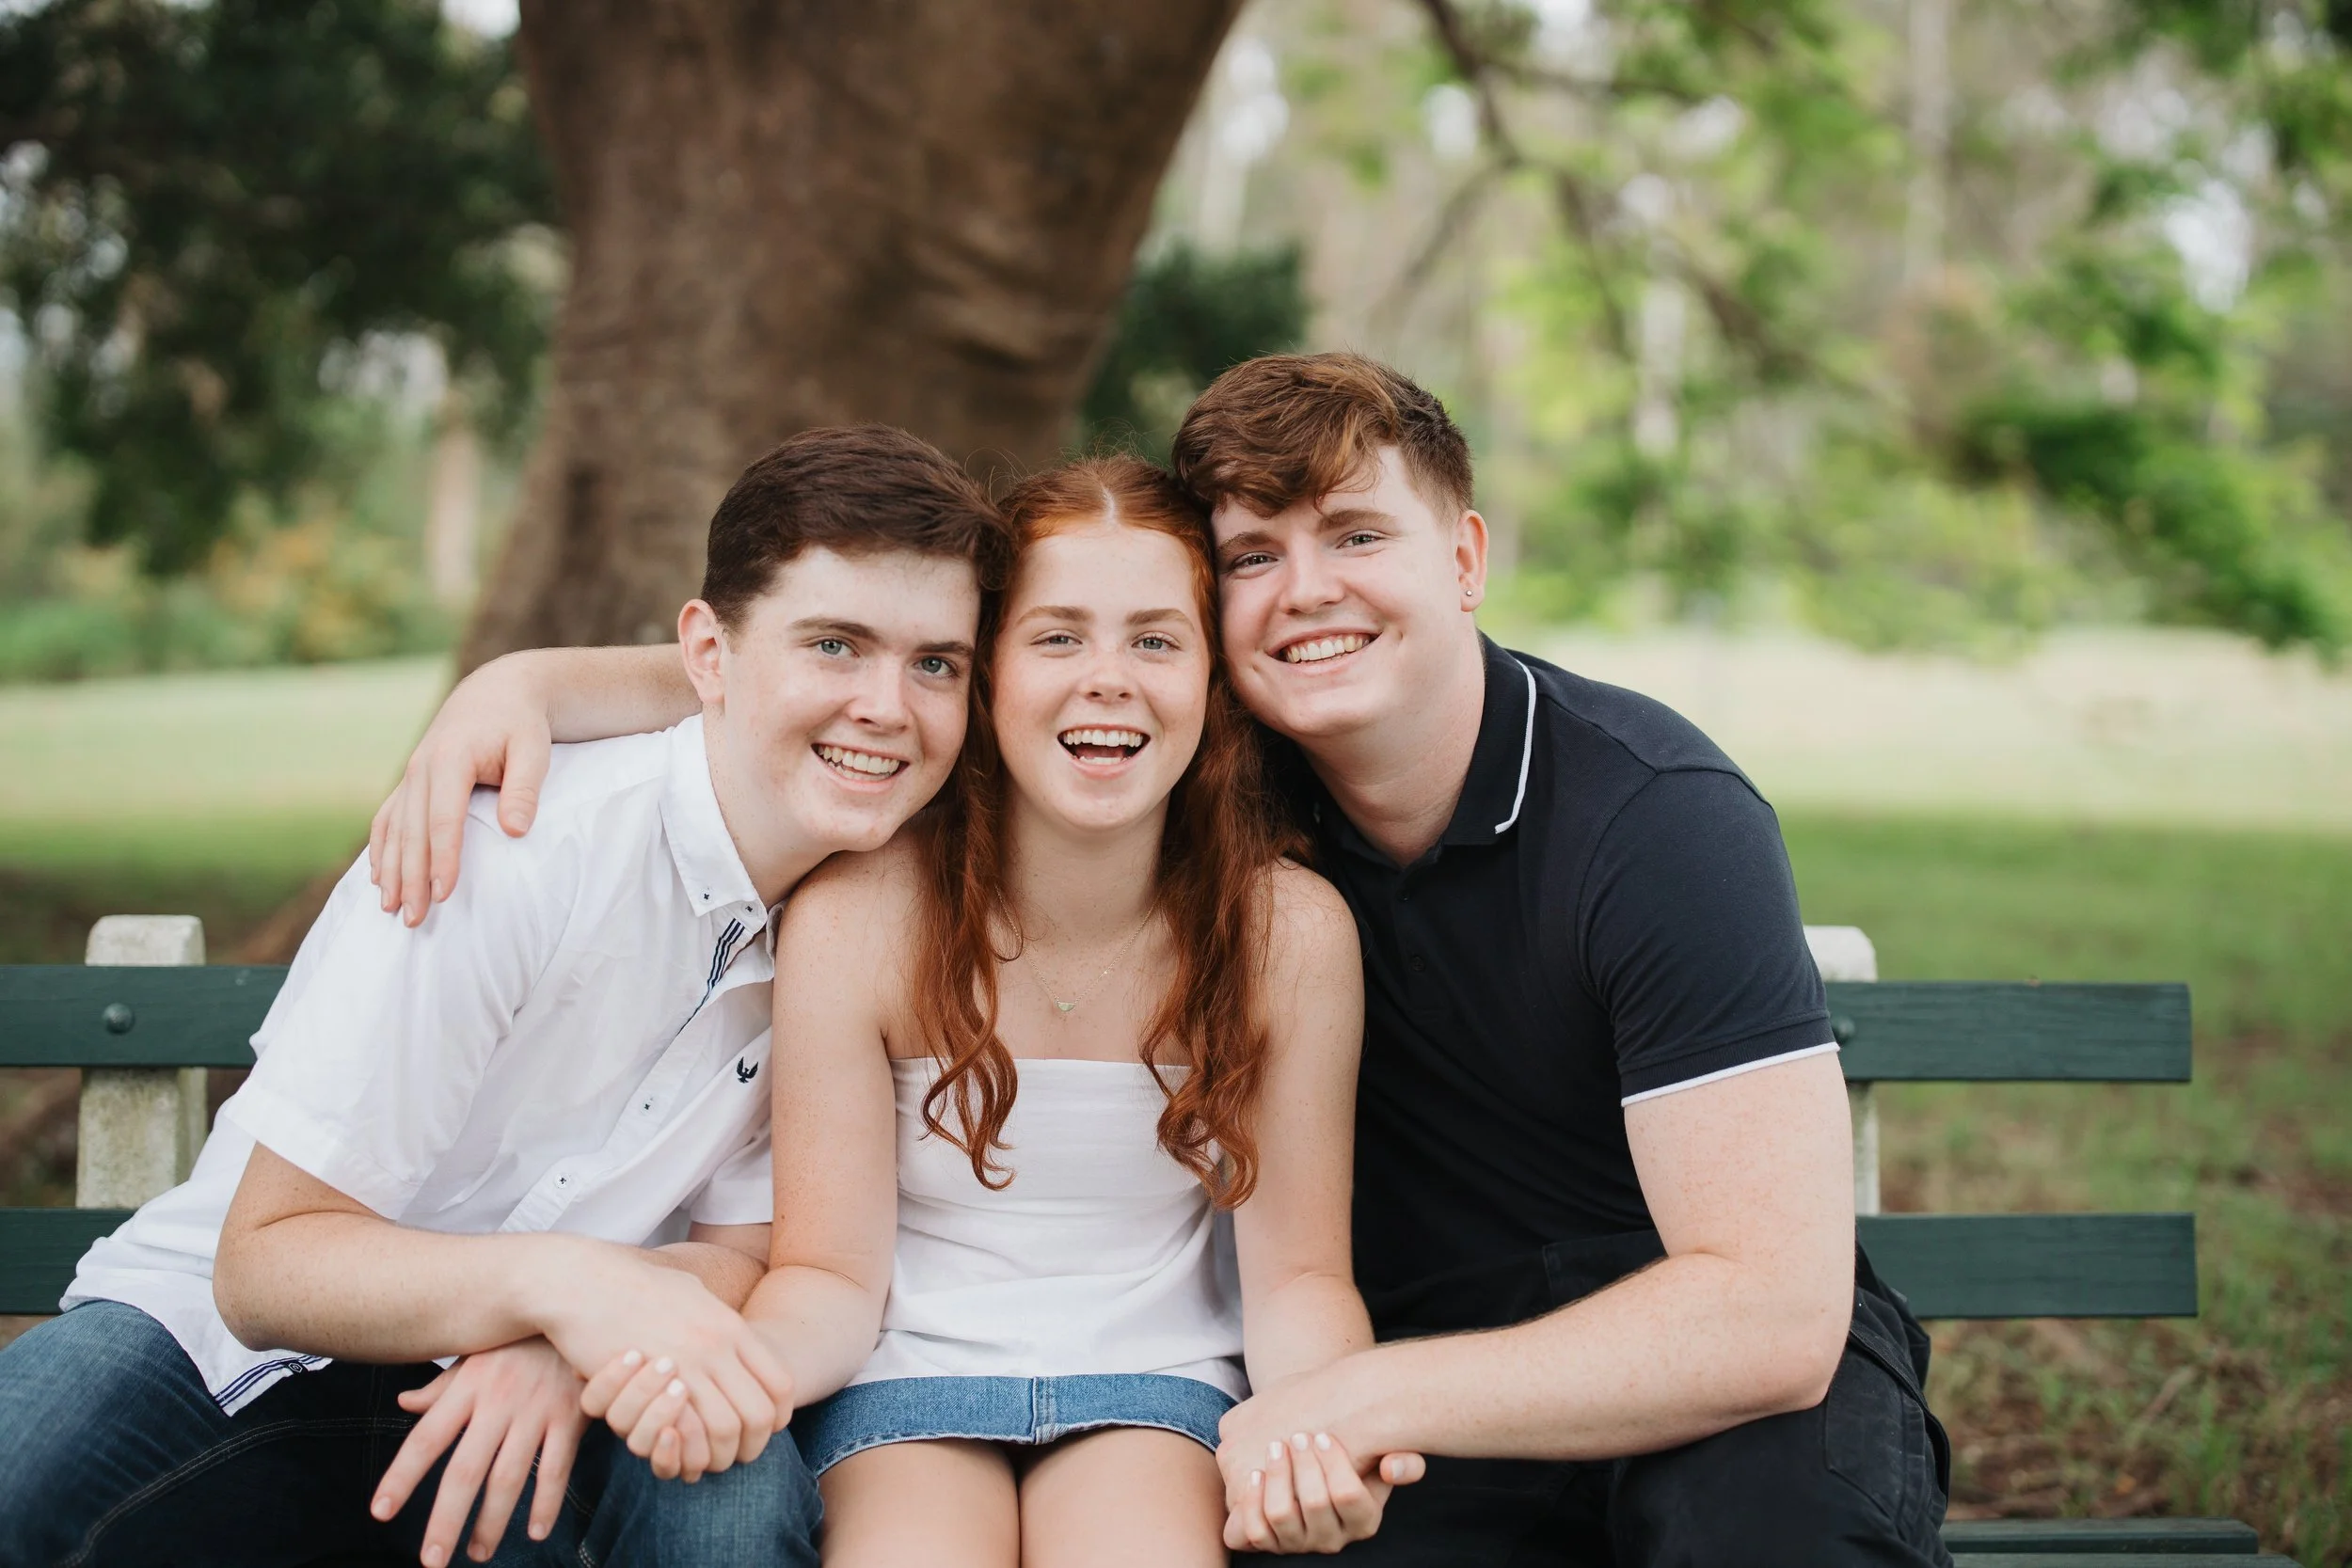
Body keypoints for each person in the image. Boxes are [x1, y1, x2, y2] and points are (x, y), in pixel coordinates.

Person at [369, 356, 1953, 1565]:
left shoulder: (1627, 824)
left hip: (1626, 1369)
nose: (1304, 594)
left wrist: (1339, 1405)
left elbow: (1755, 1310)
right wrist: (533, 679)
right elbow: (871, 660)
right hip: (1301, 1384)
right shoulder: (1196, 787)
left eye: (1355, 536)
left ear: (1465, 556)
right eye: (1257, 556)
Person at [0, 425, 1008, 1568]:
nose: (888, 703)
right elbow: (266, 1264)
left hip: (580, 1368)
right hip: (226, 1345)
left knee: (729, 1507)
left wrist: (572, 1334)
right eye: (835, 643)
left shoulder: (864, 918)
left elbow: (743, 1248)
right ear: (708, 654)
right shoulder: (511, 846)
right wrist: (558, 1287)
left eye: (936, 663)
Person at [579, 456, 1419, 1562]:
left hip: (1158, 1385)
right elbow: (829, 1275)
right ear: (984, 677)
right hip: (902, 1380)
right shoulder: (863, 918)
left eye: (1156, 640)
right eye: (1057, 636)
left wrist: (1318, 1430)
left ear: (1213, 680)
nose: (1107, 677)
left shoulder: (1284, 934)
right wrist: (738, 1379)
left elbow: (1300, 1277)